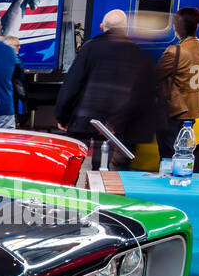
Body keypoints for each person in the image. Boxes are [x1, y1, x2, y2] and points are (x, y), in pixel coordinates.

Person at [55, 9, 156, 169]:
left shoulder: (91, 47)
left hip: (85, 119)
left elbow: (73, 83)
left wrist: (63, 115)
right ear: (125, 28)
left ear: (102, 26)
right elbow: (142, 93)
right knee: (103, 165)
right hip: (115, 124)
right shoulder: (137, 52)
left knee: (74, 163)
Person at [156, 6, 199, 159]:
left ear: (176, 27)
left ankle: (168, 180)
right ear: (197, 26)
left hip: (174, 111)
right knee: (184, 152)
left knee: (168, 154)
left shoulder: (176, 51)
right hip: (193, 109)